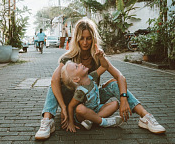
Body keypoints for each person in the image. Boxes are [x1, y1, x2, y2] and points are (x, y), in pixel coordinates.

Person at [35, 18, 166, 140]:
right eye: (81, 38)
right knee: (54, 82)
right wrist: (63, 107)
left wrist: (124, 98)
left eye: (88, 38)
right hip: (73, 100)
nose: (85, 42)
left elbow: (119, 76)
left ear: (93, 39)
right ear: (76, 39)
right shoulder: (69, 58)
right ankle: (47, 120)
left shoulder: (98, 56)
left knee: (115, 84)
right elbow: (53, 81)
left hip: (92, 97)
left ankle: (145, 117)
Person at [60, 45, 123, 132]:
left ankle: (91, 120)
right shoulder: (80, 91)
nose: (80, 64)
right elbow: (71, 106)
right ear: (76, 79)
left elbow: (104, 67)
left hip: (96, 109)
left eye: (77, 64)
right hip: (82, 115)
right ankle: (104, 122)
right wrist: (71, 122)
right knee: (79, 108)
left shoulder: (92, 76)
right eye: (77, 67)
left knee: (115, 104)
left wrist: (101, 57)